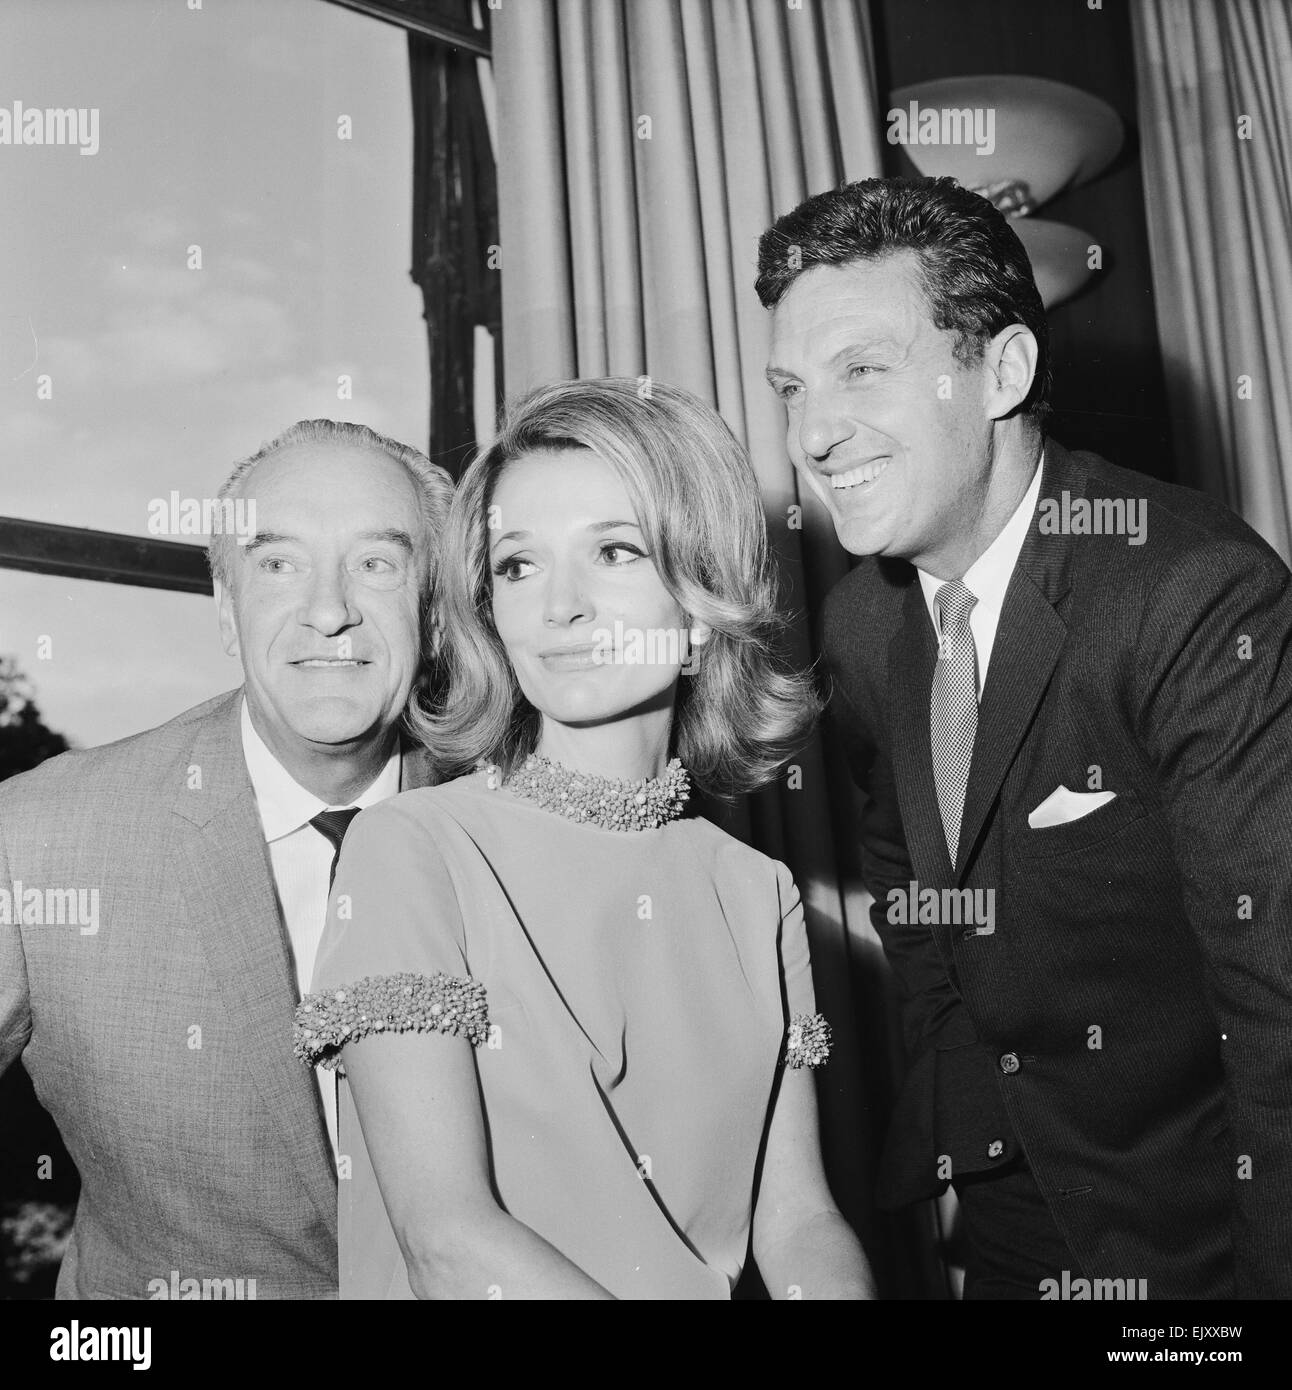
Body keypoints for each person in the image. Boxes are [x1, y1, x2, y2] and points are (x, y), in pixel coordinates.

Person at [756, 174, 1292, 1299]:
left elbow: (1275, 994)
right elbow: (915, 890)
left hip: (1207, 1239)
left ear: (1002, 370)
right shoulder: (861, 623)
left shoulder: (1189, 590)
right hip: (1008, 1228)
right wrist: (975, 1148)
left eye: (862, 369)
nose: (811, 432)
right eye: (790, 386)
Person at [294, 378, 874, 1300]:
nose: (558, 606)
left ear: (701, 603)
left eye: (614, 551)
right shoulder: (411, 849)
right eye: (519, 565)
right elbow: (447, 1239)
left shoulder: (755, 890)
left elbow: (799, 1220)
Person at [0, 419, 452, 1298]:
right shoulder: (39, 840)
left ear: (433, 615)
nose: (329, 611)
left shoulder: (520, 818)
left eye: (377, 564)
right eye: (278, 565)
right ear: (224, 609)